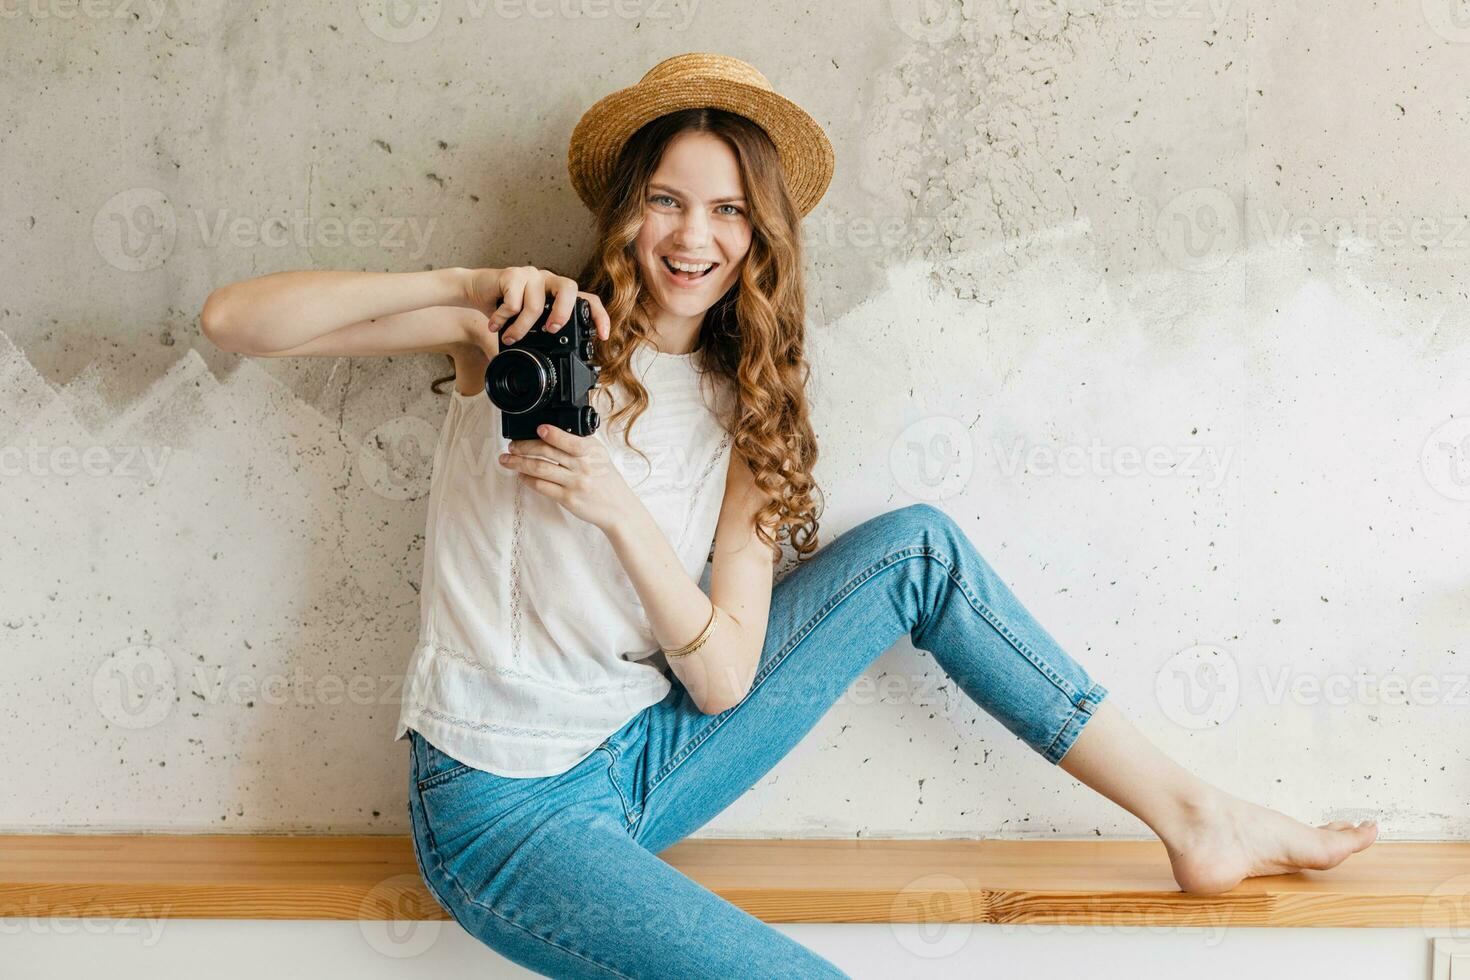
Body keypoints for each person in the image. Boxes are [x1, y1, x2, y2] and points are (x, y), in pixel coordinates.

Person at [200, 51, 1378, 980]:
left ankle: (1196, 812)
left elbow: (721, 678)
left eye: (725, 210)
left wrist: (619, 511)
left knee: (920, 546)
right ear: (630, 209)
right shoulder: (519, 335)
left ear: (760, 232)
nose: (691, 237)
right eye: (666, 199)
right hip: (500, 805)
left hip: (648, 753)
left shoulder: (750, 406)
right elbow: (235, 319)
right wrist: (458, 289)